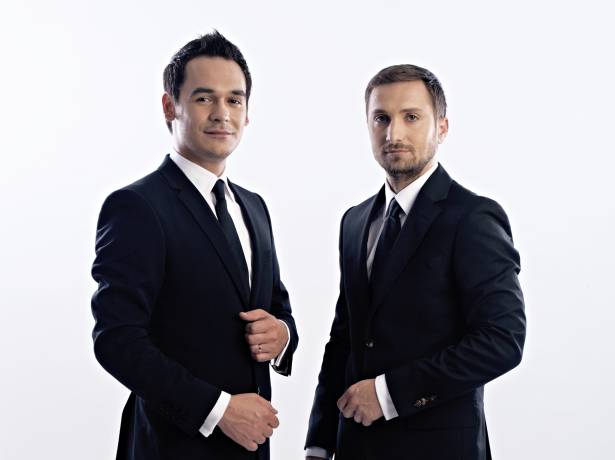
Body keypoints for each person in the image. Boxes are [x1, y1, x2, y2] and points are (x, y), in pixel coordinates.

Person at [91, 31, 298, 460]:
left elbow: (277, 305)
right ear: (170, 107)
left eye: (234, 100)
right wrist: (217, 410)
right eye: (205, 98)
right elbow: (117, 339)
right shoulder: (137, 206)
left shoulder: (254, 207)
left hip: (252, 445)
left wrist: (282, 335)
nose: (222, 113)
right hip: (170, 446)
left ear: (247, 113)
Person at [305, 64, 526, 460]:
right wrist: (319, 443)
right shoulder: (354, 221)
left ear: (442, 127)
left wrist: (388, 394)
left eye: (411, 117)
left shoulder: (473, 217)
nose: (394, 134)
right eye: (381, 118)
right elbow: (344, 340)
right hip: (354, 447)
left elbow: (502, 340)